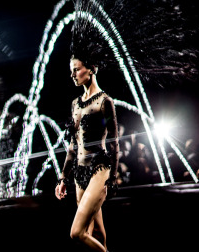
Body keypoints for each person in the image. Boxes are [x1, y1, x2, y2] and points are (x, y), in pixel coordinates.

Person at [55, 56, 119, 251]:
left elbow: (114, 143)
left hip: (99, 169)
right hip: (79, 173)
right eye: (71, 70)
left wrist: (113, 178)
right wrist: (63, 178)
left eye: (76, 69)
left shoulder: (105, 101)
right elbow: (73, 145)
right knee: (96, 233)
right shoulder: (75, 104)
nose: (72, 74)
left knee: (77, 233)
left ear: (91, 69)